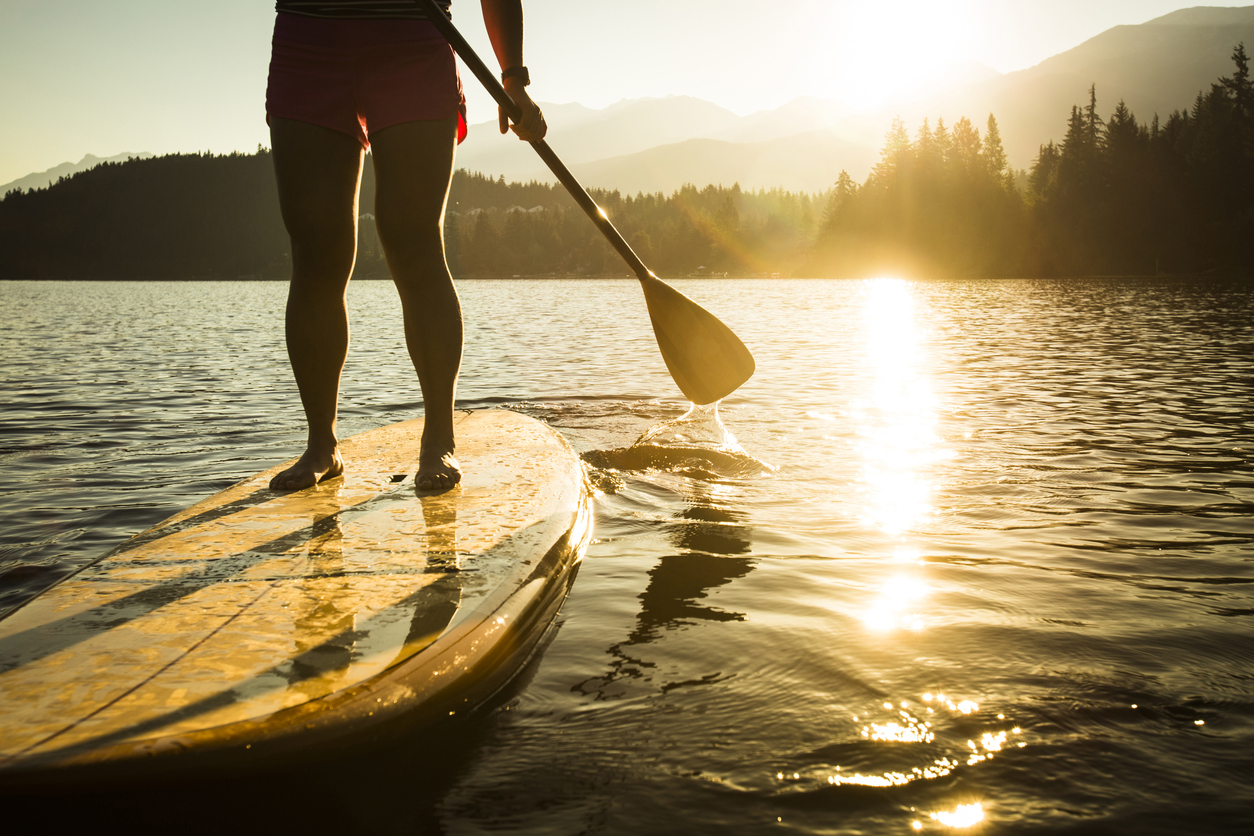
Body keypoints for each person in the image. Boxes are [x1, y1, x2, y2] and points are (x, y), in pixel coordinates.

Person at [264, 0, 546, 492]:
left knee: (412, 239)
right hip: (307, 40)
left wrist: (512, 77)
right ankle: (321, 446)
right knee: (317, 253)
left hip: (412, 35)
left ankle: (439, 438)